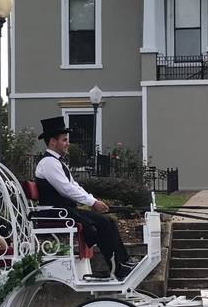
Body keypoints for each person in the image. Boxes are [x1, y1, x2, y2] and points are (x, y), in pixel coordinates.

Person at [33, 116, 134, 280]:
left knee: (108, 221)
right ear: (52, 141)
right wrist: (92, 202)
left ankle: (122, 263)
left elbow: (74, 186)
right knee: (102, 223)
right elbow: (66, 189)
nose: (67, 143)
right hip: (55, 212)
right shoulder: (48, 163)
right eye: (64, 140)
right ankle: (118, 267)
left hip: (64, 210)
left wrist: (93, 200)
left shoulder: (58, 163)